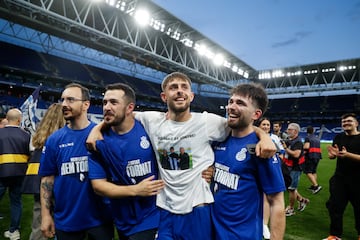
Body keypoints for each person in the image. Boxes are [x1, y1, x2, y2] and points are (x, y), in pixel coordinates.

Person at [87, 72, 276, 240]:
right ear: (163, 96)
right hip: (165, 209)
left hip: (197, 209)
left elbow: (243, 125)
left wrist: (264, 136)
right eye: (173, 87)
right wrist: (97, 129)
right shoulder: (151, 120)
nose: (179, 91)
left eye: (184, 87)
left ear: (191, 96)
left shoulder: (207, 122)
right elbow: (118, 113)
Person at [88, 83, 165, 240]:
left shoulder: (148, 129)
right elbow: (98, 186)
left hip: (153, 216)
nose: (107, 107)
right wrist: (136, 190)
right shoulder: (98, 141)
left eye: (114, 102)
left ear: (130, 108)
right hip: (122, 219)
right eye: (105, 102)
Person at [38, 83, 113, 240]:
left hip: (100, 219)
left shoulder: (102, 135)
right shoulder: (54, 140)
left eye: (71, 99)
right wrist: (45, 216)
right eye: (63, 100)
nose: (64, 104)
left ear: (86, 104)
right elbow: (47, 179)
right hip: (66, 219)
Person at [211, 83, 285, 240]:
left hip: (242, 235)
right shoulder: (218, 138)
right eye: (231, 101)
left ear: (256, 115)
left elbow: (277, 202)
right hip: (211, 231)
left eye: (240, 103)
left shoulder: (261, 149)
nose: (231, 107)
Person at [21, 103, 65, 240]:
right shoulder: (62, 138)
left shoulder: (40, 137)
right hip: (57, 185)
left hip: (37, 184)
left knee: (39, 227)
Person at [324, 113, 360, 240]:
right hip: (340, 178)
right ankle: (335, 235)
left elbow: (347, 155)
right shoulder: (338, 137)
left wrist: (347, 154)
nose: (346, 123)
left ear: (356, 123)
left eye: (349, 121)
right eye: (343, 122)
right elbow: (333, 156)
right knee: (335, 207)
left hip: (358, 180)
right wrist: (332, 155)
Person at [0, 108, 31, 240]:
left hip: (1, 173)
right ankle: (14, 231)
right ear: (19, 120)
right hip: (20, 173)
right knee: (16, 202)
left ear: (7, 118)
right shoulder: (26, 135)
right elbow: (29, 155)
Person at [258, 117, 285, 240]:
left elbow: (281, 153)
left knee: (269, 197)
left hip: (271, 168)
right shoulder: (254, 136)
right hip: (258, 170)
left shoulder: (274, 138)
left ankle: (264, 224)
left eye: (267, 125)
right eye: (263, 124)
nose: (265, 127)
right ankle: (262, 223)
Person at [283, 122, 309, 217]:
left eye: (290, 129)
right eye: (288, 129)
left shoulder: (298, 142)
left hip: (295, 167)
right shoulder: (289, 140)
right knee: (290, 187)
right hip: (288, 166)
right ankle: (303, 200)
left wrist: (285, 148)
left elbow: (296, 154)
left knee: (292, 189)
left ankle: (291, 208)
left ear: (296, 131)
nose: (287, 131)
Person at [303, 125, 322, 194]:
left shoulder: (308, 138)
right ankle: (313, 186)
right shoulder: (317, 138)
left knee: (308, 172)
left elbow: (306, 147)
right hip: (318, 156)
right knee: (314, 171)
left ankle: (316, 186)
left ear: (307, 131)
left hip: (310, 156)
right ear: (313, 131)